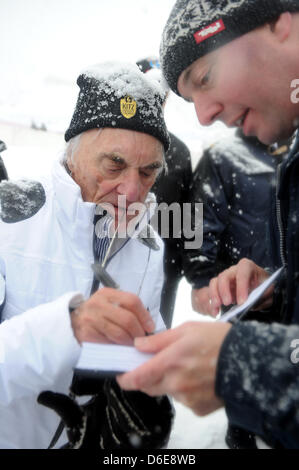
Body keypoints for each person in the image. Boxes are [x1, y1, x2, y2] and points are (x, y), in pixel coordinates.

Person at [117, 1, 299, 449]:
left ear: (282, 24)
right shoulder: (257, 156)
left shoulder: (180, 154)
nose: (202, 115)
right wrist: (279, 290)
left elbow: (187, 221)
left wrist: (243, 363)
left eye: (205, 77)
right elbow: (197, 221)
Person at [0, 62, 172, 449]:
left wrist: (149, 391)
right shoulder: (7, 216)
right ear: (73, 151)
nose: (131, 191)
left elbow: (149, 336)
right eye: (114, 165)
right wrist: (67, 328)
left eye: (148, 172)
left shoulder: (148, 244)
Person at [186, 129, 289, 318]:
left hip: (289, 292)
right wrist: (200, 280)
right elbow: (197, 221)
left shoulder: (293, 155)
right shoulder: (222, 156)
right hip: (242, 293)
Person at [137, 56, 193, 328]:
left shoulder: (180, 152)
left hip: (164, 272)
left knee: (154, 349)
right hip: (112, 263)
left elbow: (188, 218)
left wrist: (186, 266)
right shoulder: (104, 145)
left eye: (162, 90)